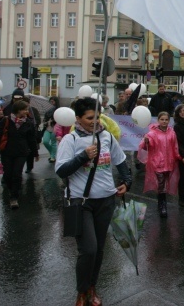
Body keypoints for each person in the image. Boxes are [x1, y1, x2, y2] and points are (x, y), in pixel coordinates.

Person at [55, 97, 132, 306]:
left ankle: (92, 287)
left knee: (98, 250)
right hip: (81, 202)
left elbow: (120, 160)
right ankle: (81, 292)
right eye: (90, 118)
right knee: (88, 249)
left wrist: (127, 181)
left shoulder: (106, 136)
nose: (95, 121)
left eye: (98, 117)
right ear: (78, 118)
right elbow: (61, 170)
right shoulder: (70, 141)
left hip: (106, 200)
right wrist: (82, 156)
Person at [0, 100, 39, 209]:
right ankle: (10, 190)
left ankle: (14, 197)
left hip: (21, 153)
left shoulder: (28, 123)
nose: (27, 112)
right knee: (7, 175)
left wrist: (35, 153)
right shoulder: (5, 121)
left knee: (17, 174)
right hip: (6, 152)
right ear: (18, 110)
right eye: (25, 109)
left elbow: (32, 139)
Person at [139, 111, 184, 218]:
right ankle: (162, 205)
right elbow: (146, 147)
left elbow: (175, 146)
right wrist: (146, 142)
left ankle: (161, 202)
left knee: (165, 184)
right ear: (158, 120)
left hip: (169, 162)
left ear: (169, 120)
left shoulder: (171, 132)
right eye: (162, 119)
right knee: (161, 184)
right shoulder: (152, 133)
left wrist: (178, 157)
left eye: (166, 119)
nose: (164, 121)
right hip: (157, 163)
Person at [42, 96, 60, 163]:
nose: (51, 103)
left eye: (53, 101)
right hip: (47, 128)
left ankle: (52, 157)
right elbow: (44, 119)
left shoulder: (58, 110)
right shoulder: (48, 110)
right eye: (50, 101)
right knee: (45, 142)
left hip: (54, 129)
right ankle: (53, 153)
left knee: (53, 143)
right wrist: (46, 122)